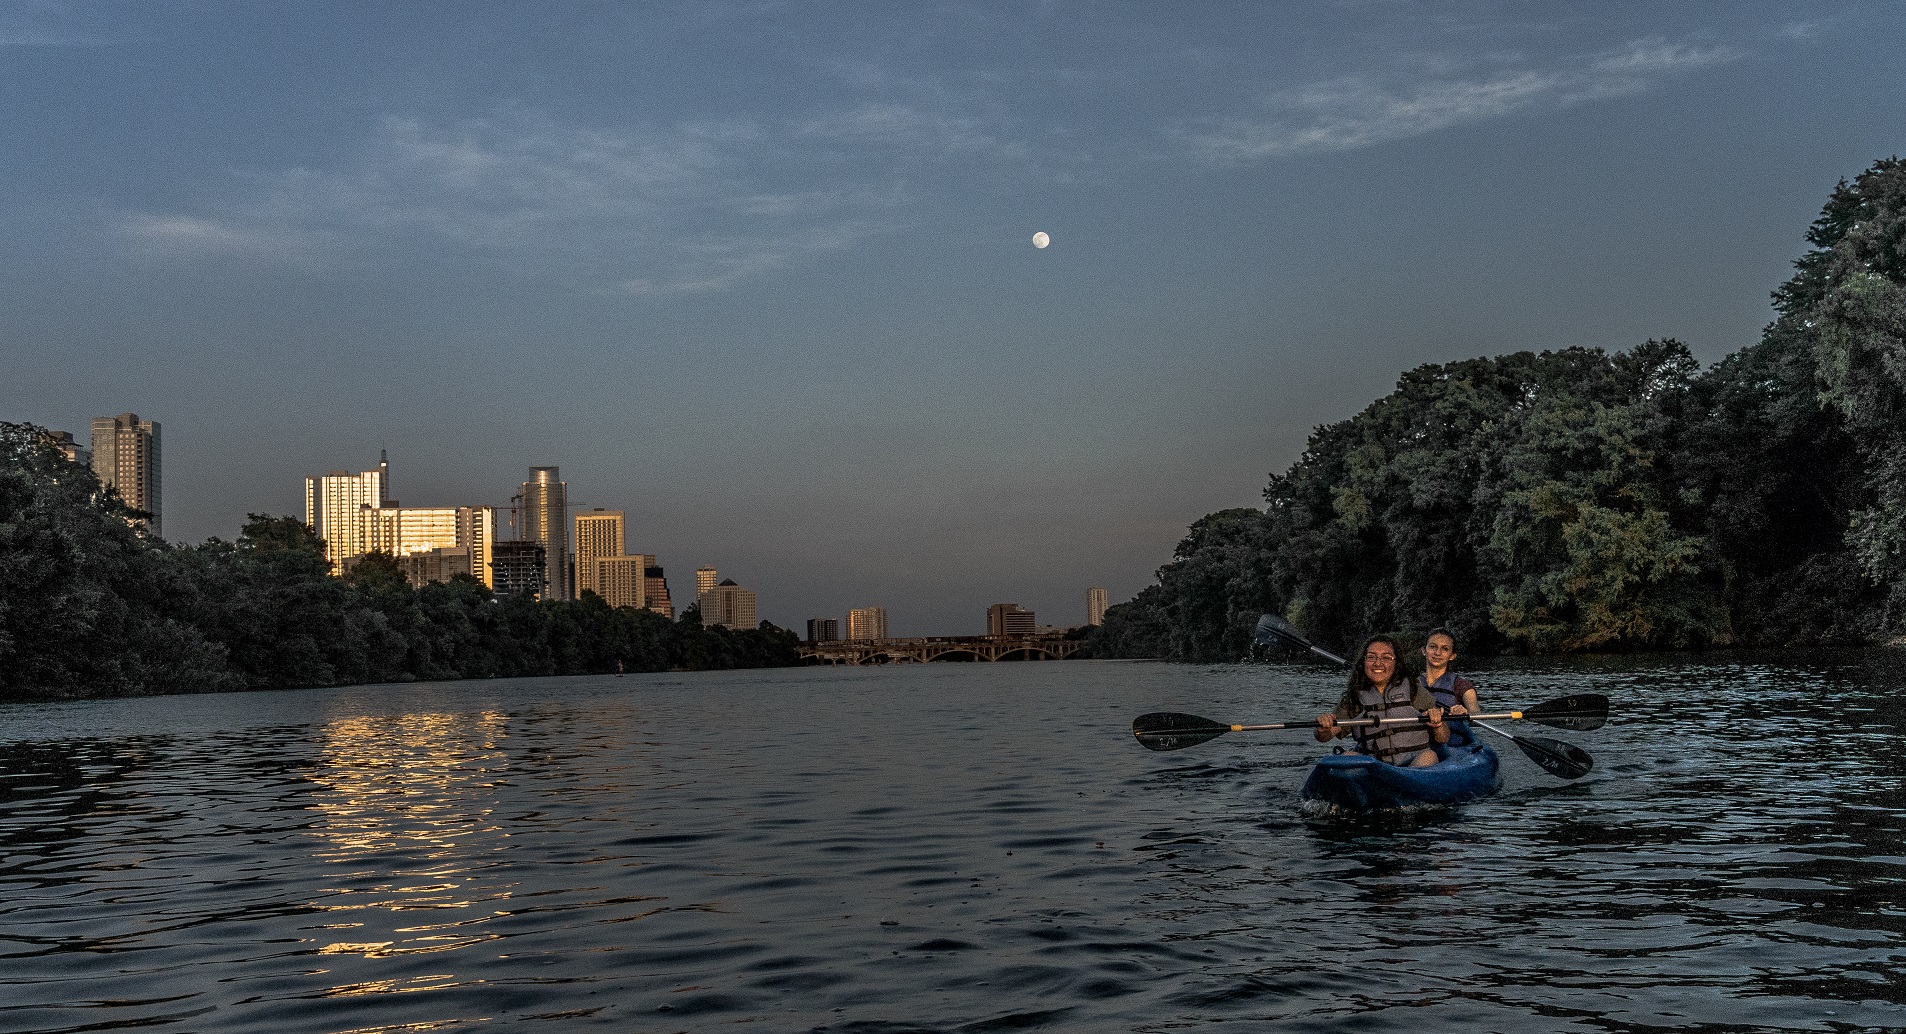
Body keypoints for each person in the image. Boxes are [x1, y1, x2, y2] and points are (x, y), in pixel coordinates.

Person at [1314, 634, 1446, 767]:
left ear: (1396, 663)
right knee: (1346, 757)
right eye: (1371, 657)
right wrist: (1322, 728)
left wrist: (1437, 724)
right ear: (1363, 662)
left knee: (1429, 756)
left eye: (1386, 658)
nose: (1378, 663)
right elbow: (1325, 736)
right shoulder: (1354, 697)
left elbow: (1443, 737)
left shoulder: (1413, 689)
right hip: (1376, 767)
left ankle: (1404, 783)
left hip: (1415, 762)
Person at [1420, 627, 1481, 747]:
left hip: (1452, 748)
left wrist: (1466, 713)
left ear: (1452, 655)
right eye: (1433, 647)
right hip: (1418, 744)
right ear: (1424, 651)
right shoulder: (1411, 684)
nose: (1437, 653)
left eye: (1445, 649)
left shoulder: (1462, 686)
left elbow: (1476, 715)